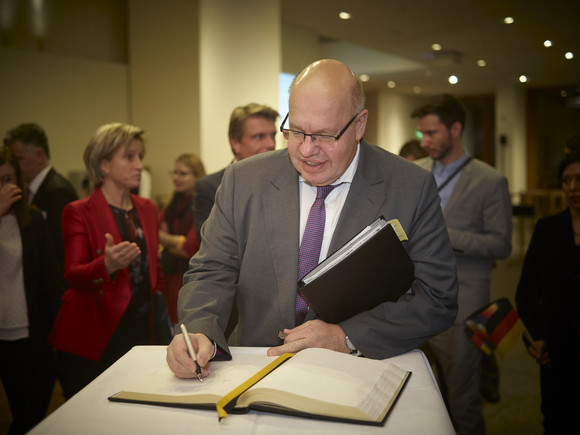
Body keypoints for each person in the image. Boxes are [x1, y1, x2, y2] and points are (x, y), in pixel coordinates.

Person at [166, 59, 458, 380]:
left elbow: (436, 298)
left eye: (324, 135)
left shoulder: (410, 187)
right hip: (257, 371)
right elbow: (212, 269)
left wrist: (344, 336)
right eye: (297, 131)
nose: (307, 150)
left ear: (359, 125)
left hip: (357, 376)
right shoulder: (244, 180)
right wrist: (199, 330)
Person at [410, 94, 512, 435]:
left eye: (432, 133)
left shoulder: (489, 180)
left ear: (456, 129)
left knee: (462, 402)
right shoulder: (416, 172)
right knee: (416, 397)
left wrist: (445, 233)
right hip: (410, 303)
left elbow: (501, 245)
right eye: (422, 133)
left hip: (461, 307)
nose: (424, 142)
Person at [49, 123, 167, 399]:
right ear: (103, 165)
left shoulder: (147, 208)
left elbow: (155, 271)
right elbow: (72, 275)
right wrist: (107, 266)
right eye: (129, 157)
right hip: (95, 335)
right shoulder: (78, 211)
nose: (139, 165)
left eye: (140, 156)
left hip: (140, 331)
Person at [516, 151, 580, 434]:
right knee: (557, 419)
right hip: (557, 348)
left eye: (579, 179)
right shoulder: (548, 229)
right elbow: (527, 291)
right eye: (567, 180)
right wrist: (535, 336)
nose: (573, 187)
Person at [0, 147, 61, 434]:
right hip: (2, 334)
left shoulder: (33, 218)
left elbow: (50, 279)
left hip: (31, 332)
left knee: (32, 413)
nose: (4, 187)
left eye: (8, 178)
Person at [193, 103, 278, 242]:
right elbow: (210, 244)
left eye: (272, 135)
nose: (270, 144)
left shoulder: (287, 182)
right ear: (235, 143)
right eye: (259, 137)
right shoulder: (209, 188)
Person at [4, 123, 79, 273]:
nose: (15, 167)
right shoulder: (34, 190)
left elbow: (61, 250)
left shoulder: (56, 191)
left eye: (19, 159)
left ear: (39, 155)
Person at [158, 154, 206, 324]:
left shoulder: (202, 203)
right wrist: (176, 241)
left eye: (183, 173)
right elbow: (154, 232)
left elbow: (189, 248)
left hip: (190, 276)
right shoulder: (173, 203)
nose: (176, 178)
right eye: (175, 172)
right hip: (170, 276)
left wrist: (165, 239)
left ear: (197, 176)